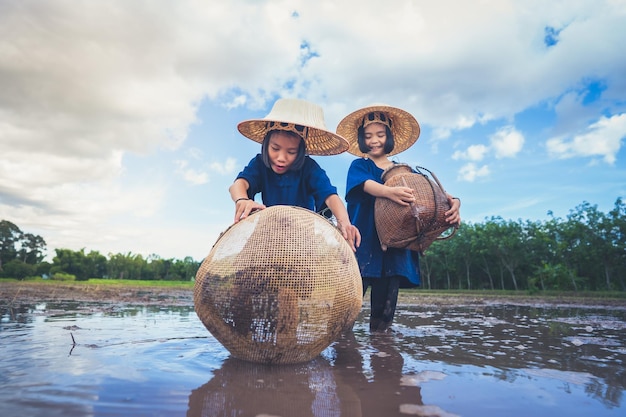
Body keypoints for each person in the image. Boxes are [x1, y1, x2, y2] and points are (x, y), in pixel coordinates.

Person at [336, 104, 461, 331]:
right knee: (347, 309)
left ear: (389, 137)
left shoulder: (406, 171)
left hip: (395, 248)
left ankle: (383, 353)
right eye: (368, 136)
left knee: (384, 319)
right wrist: (388, 191)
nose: (375, 140)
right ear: (362, 139)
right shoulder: (360, 166)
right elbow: (364, 185)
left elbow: (433, 194)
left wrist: (454, 203)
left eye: (381, 135)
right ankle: (343, 348)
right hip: (363, 244)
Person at [229, 97, 361, 252]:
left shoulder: (309, 168)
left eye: (291, 152)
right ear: (266, 144)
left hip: (303, 241)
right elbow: (237, 185)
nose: (281, 158)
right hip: (268, 237)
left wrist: (344, 222)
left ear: (300, 152)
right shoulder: (259, 164)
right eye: (275, 148)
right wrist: (242, 199)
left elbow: (330, 196)